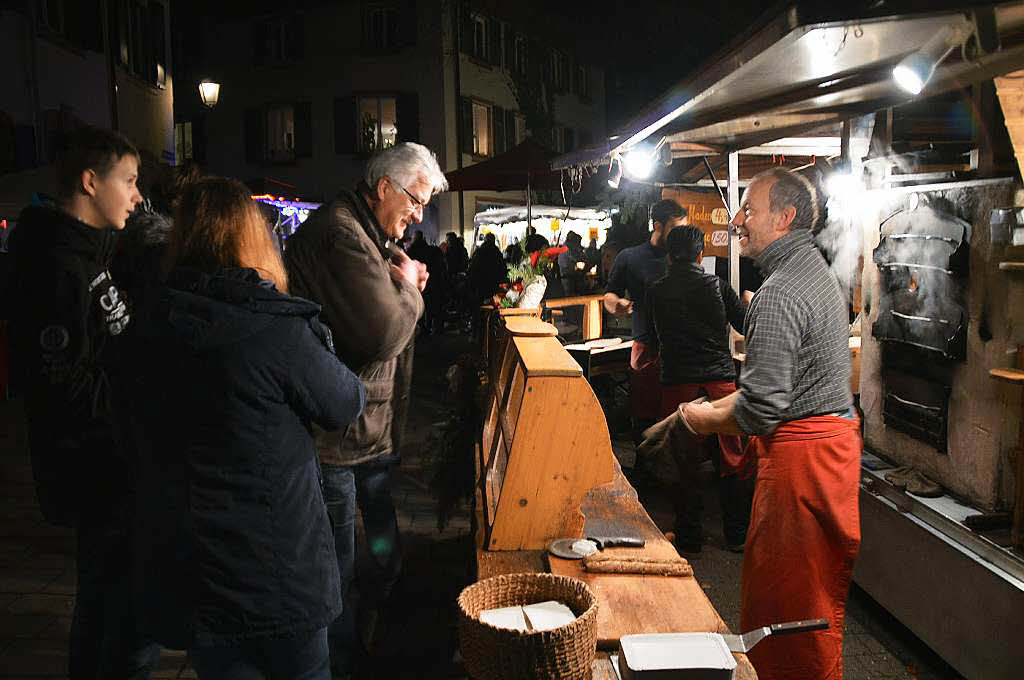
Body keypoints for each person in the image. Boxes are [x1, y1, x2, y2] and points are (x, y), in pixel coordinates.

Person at [126, 177, 364, 680]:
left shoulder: (151, 324)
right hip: (281, 574)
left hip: (199, 574)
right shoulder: (274, 327)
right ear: (252, 240)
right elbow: (344, 403)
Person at [682, 168, 858, 680]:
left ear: (784, 218)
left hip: (804, 463)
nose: (737, 220)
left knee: (790, 607)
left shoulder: (780, 292)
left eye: (749, 210)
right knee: (813, 599)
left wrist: (699, 419)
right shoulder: (817, 270)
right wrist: (708, 413)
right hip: (828, 453)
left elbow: (760, 408)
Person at [284, 142, 446, 677]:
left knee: (376, 531)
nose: (419, 214)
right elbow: (381, 333)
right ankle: (343, 657)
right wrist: (411, 291)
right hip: (339, 431)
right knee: (338, 559)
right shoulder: (340, 233)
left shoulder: (366, 230)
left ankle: (380, 609)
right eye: (416, 201)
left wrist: (403, 286)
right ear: (384, 187)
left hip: (366, 426)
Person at [6, 126, 161, 679]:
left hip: (113, 459)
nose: (138, 195)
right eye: (130, 180)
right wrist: (141, 396)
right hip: (95, 464)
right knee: (114, 612)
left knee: (109, 604)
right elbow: (61, 380)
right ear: (91, 182)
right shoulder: (55, 263)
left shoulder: (91, 252)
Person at [646, 226, 751, 554]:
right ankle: (736, 534)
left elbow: (651, 338)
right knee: (731, 458)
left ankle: (689, 538)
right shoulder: (718, 287)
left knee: (684, 460)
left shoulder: (655, 291)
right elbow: (746, 325)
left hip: (678, 383)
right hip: (719, 382)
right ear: (699, 254)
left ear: (669, 255)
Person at [604, 199, 687, 440]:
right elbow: (609, 294)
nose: (680, 236)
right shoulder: (629, 257)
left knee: (678, 418)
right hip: (645, 347)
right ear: (658, 226)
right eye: (675, 229)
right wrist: (617, 305)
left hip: (681, 349)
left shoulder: (685, 257)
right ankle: (644, 472)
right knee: (644, 417)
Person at [468, 232, 507, 303]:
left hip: (481, 282)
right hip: (494, 282)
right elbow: (502, 267)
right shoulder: (497, 252)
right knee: (493, 301)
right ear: (493, 241)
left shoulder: (479, 251)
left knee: (481, 302)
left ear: (485, 240)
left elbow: (473, 267)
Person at [557, 231, 587, 296]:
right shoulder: (567, 248)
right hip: (566, 276)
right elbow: (575, 258)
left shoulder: (570, 247)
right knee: (569, 296)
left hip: (570, 275)